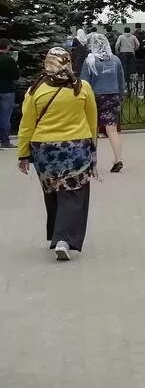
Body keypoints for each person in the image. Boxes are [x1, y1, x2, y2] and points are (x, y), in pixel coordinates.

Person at [17, 47, 99, 261]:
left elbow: (26, 125)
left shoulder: (35, 90)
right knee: (74, 192)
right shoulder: (82, 87)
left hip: (44, 150)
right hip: (76, 148)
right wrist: (93, 149)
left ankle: (56, 233)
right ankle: (64, 239)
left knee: (53, 191)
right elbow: (92, 120)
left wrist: (23, 154)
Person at [81, 33, 127, 173]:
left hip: (94, 97)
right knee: (111, 129)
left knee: (92, 130)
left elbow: (84, 82)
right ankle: (118, 159)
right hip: (112, 96)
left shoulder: (90, 61)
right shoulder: (115, 60)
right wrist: (120, 95)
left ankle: (91, 162)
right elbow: (121, 80)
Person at [0, 39, 19, 149]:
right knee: (5, 117)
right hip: (7, 90)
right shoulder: (9, 60)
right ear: (7, 47)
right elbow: (16, 76)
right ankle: (5, 141)